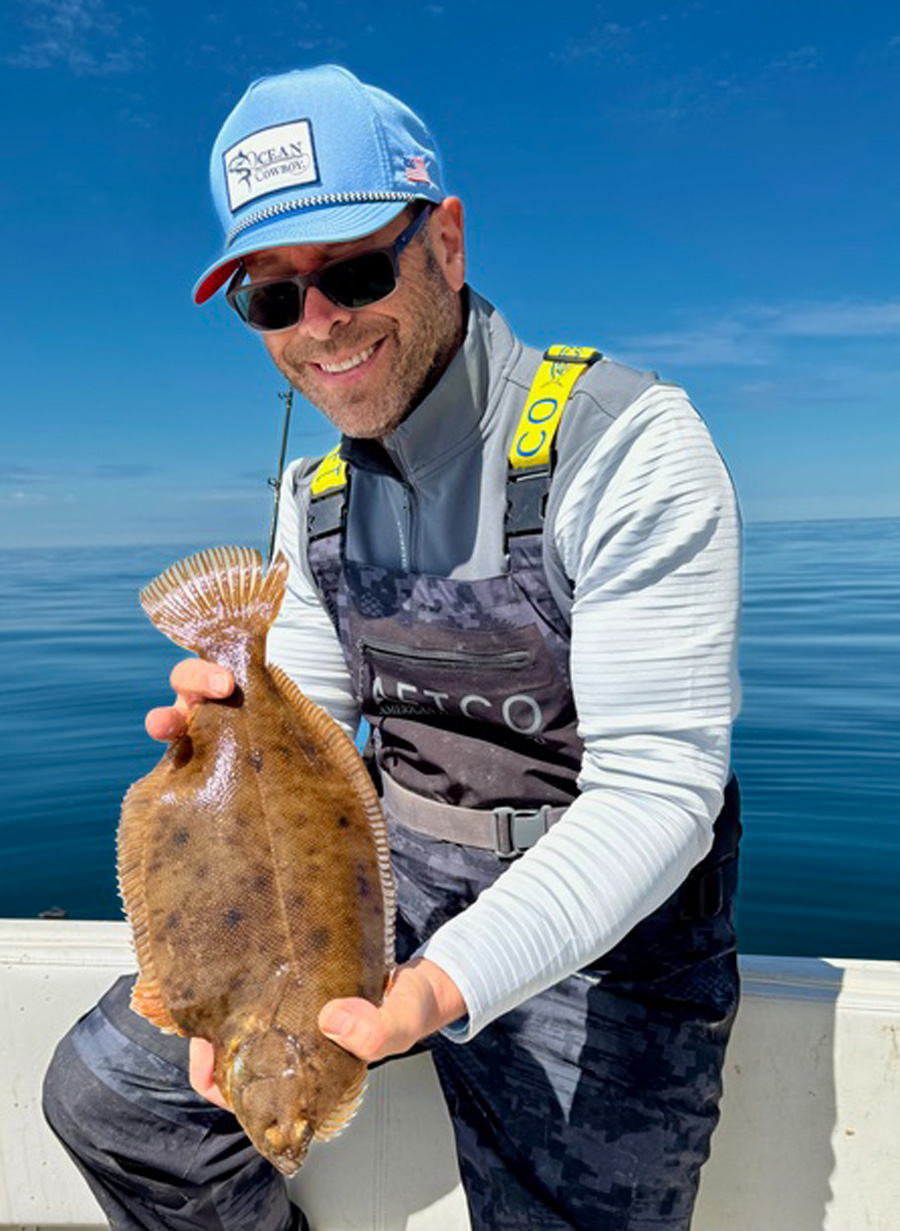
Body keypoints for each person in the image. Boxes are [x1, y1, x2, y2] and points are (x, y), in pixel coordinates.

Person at [43, 64, 742, 1231]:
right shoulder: (310, 497)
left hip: (612, 953)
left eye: (356, 272)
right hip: (381, 893)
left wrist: (432, 991)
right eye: (274, 298)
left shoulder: (624, 447)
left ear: (448, 243)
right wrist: (221, 735)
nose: (319, 326)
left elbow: (661, 793)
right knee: (115, 1094)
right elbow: (310, 748)